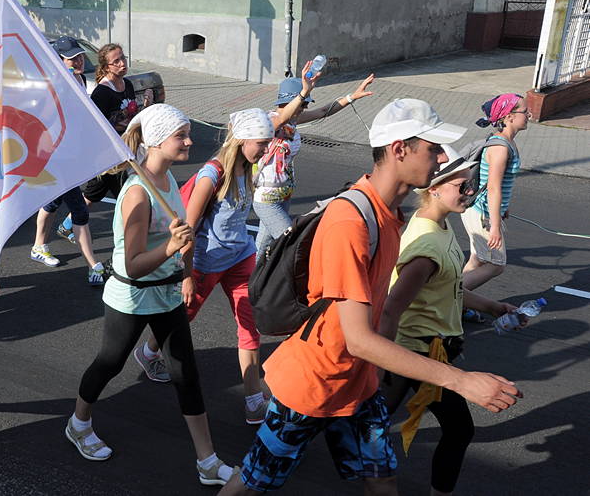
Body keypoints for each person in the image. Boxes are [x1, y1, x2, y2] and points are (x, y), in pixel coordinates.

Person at [219, 99, 522, 496]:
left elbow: (383, 313)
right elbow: (359, 337)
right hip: (315, 385)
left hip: (360, 383)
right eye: (433, 149)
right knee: (254, 481)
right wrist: (460, 381)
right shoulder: (351, 221)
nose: (441, 159)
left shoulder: (390, 214)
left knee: (381, 479)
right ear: (400, 149)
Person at [66, 104, 234, 486]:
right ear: (157, 142)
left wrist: (186, 275)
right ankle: (78, 424)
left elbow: (177, 238)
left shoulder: (167, 179)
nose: (190, 141)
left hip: (166, 293)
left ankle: (207, 462)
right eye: (182, 135)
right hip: (133, 295)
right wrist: (172, 249)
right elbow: (133, 264)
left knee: (185, 374)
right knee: (109, 363)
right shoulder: (137, 194)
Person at [379, 145, 522, 496]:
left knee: (371, 422)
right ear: (434, 188)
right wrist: (378, 364)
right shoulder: (427, 248)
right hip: (415, 354)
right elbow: (390, 309)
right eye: (463, 186)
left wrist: (492, 306)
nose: (471, 193)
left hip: (430, 351)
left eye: (473, 185)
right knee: (371, 424)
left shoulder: (438, 227)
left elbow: (448, 290)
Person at [140, 108, 275, 425]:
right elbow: (187, 231)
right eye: (262, 143)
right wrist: (187, 277)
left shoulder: (248, 165)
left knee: (249, 325)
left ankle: (254, 400)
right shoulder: (210, 176)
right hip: (204, 263)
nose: (266, 149)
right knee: (182, 316)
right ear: (241, 140)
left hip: (241, 257)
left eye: (268, 142)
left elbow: (281, 118)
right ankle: (147, 352)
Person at [254, 66, 375, 253]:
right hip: (266, 199)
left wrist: (352, 97)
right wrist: (304, 92)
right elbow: (283, 117)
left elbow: (323, 111)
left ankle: (254, 280)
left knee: (263, 246)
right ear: (290, 101)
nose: (306, 107)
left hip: (283, 195)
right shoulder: (270, 122)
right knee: (291, 244)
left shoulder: (293, 121)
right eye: (303, 104)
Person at [56, 43, 153, 242]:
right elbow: (97, 126)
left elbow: (132, 117)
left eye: (123, 58)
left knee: (93, 194)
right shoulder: (102, 92)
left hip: (125, 149)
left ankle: (67, 225)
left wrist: (146, 106)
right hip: (107, 154)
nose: (122, 63)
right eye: (116, 61)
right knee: (126, 194)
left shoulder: (128, 86)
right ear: (107, 66)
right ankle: (132, 235)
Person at [29, 36, 105, 285]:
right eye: (72, 58)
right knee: (79, 211)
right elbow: (45, 119)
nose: (79, 60)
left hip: (72, 154)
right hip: (55, 156)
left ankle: (38, 246)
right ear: (59, 61)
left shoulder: (80, 79)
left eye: (80, 55)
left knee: (53, 202)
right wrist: (64, 90)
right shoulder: (53, 85)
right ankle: (93, 264)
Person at [460, 94, 527, 320]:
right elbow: (493, 189)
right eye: (524, 112)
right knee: (497, 264)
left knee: (477, 260)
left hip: (483, 211)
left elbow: (497, 186)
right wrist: (495, 225)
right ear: (508, 117)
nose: (529, 115)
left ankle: (457, 302)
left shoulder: (505, 142)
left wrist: (502, 208)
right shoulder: (500, 148)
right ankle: (449, 296)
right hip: (483, 215)